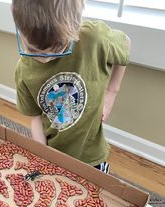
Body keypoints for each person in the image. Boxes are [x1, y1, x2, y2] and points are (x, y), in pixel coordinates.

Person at [12, 0, 131, 174]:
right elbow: (36, 118)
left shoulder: (93, 38)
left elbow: (126, 43)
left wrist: (112, 91)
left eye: (57, 48)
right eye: (32, 49)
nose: (44, 58)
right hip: (54, 152)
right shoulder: (23, 71)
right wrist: (43, 155)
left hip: (92, 155)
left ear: (75, 27)